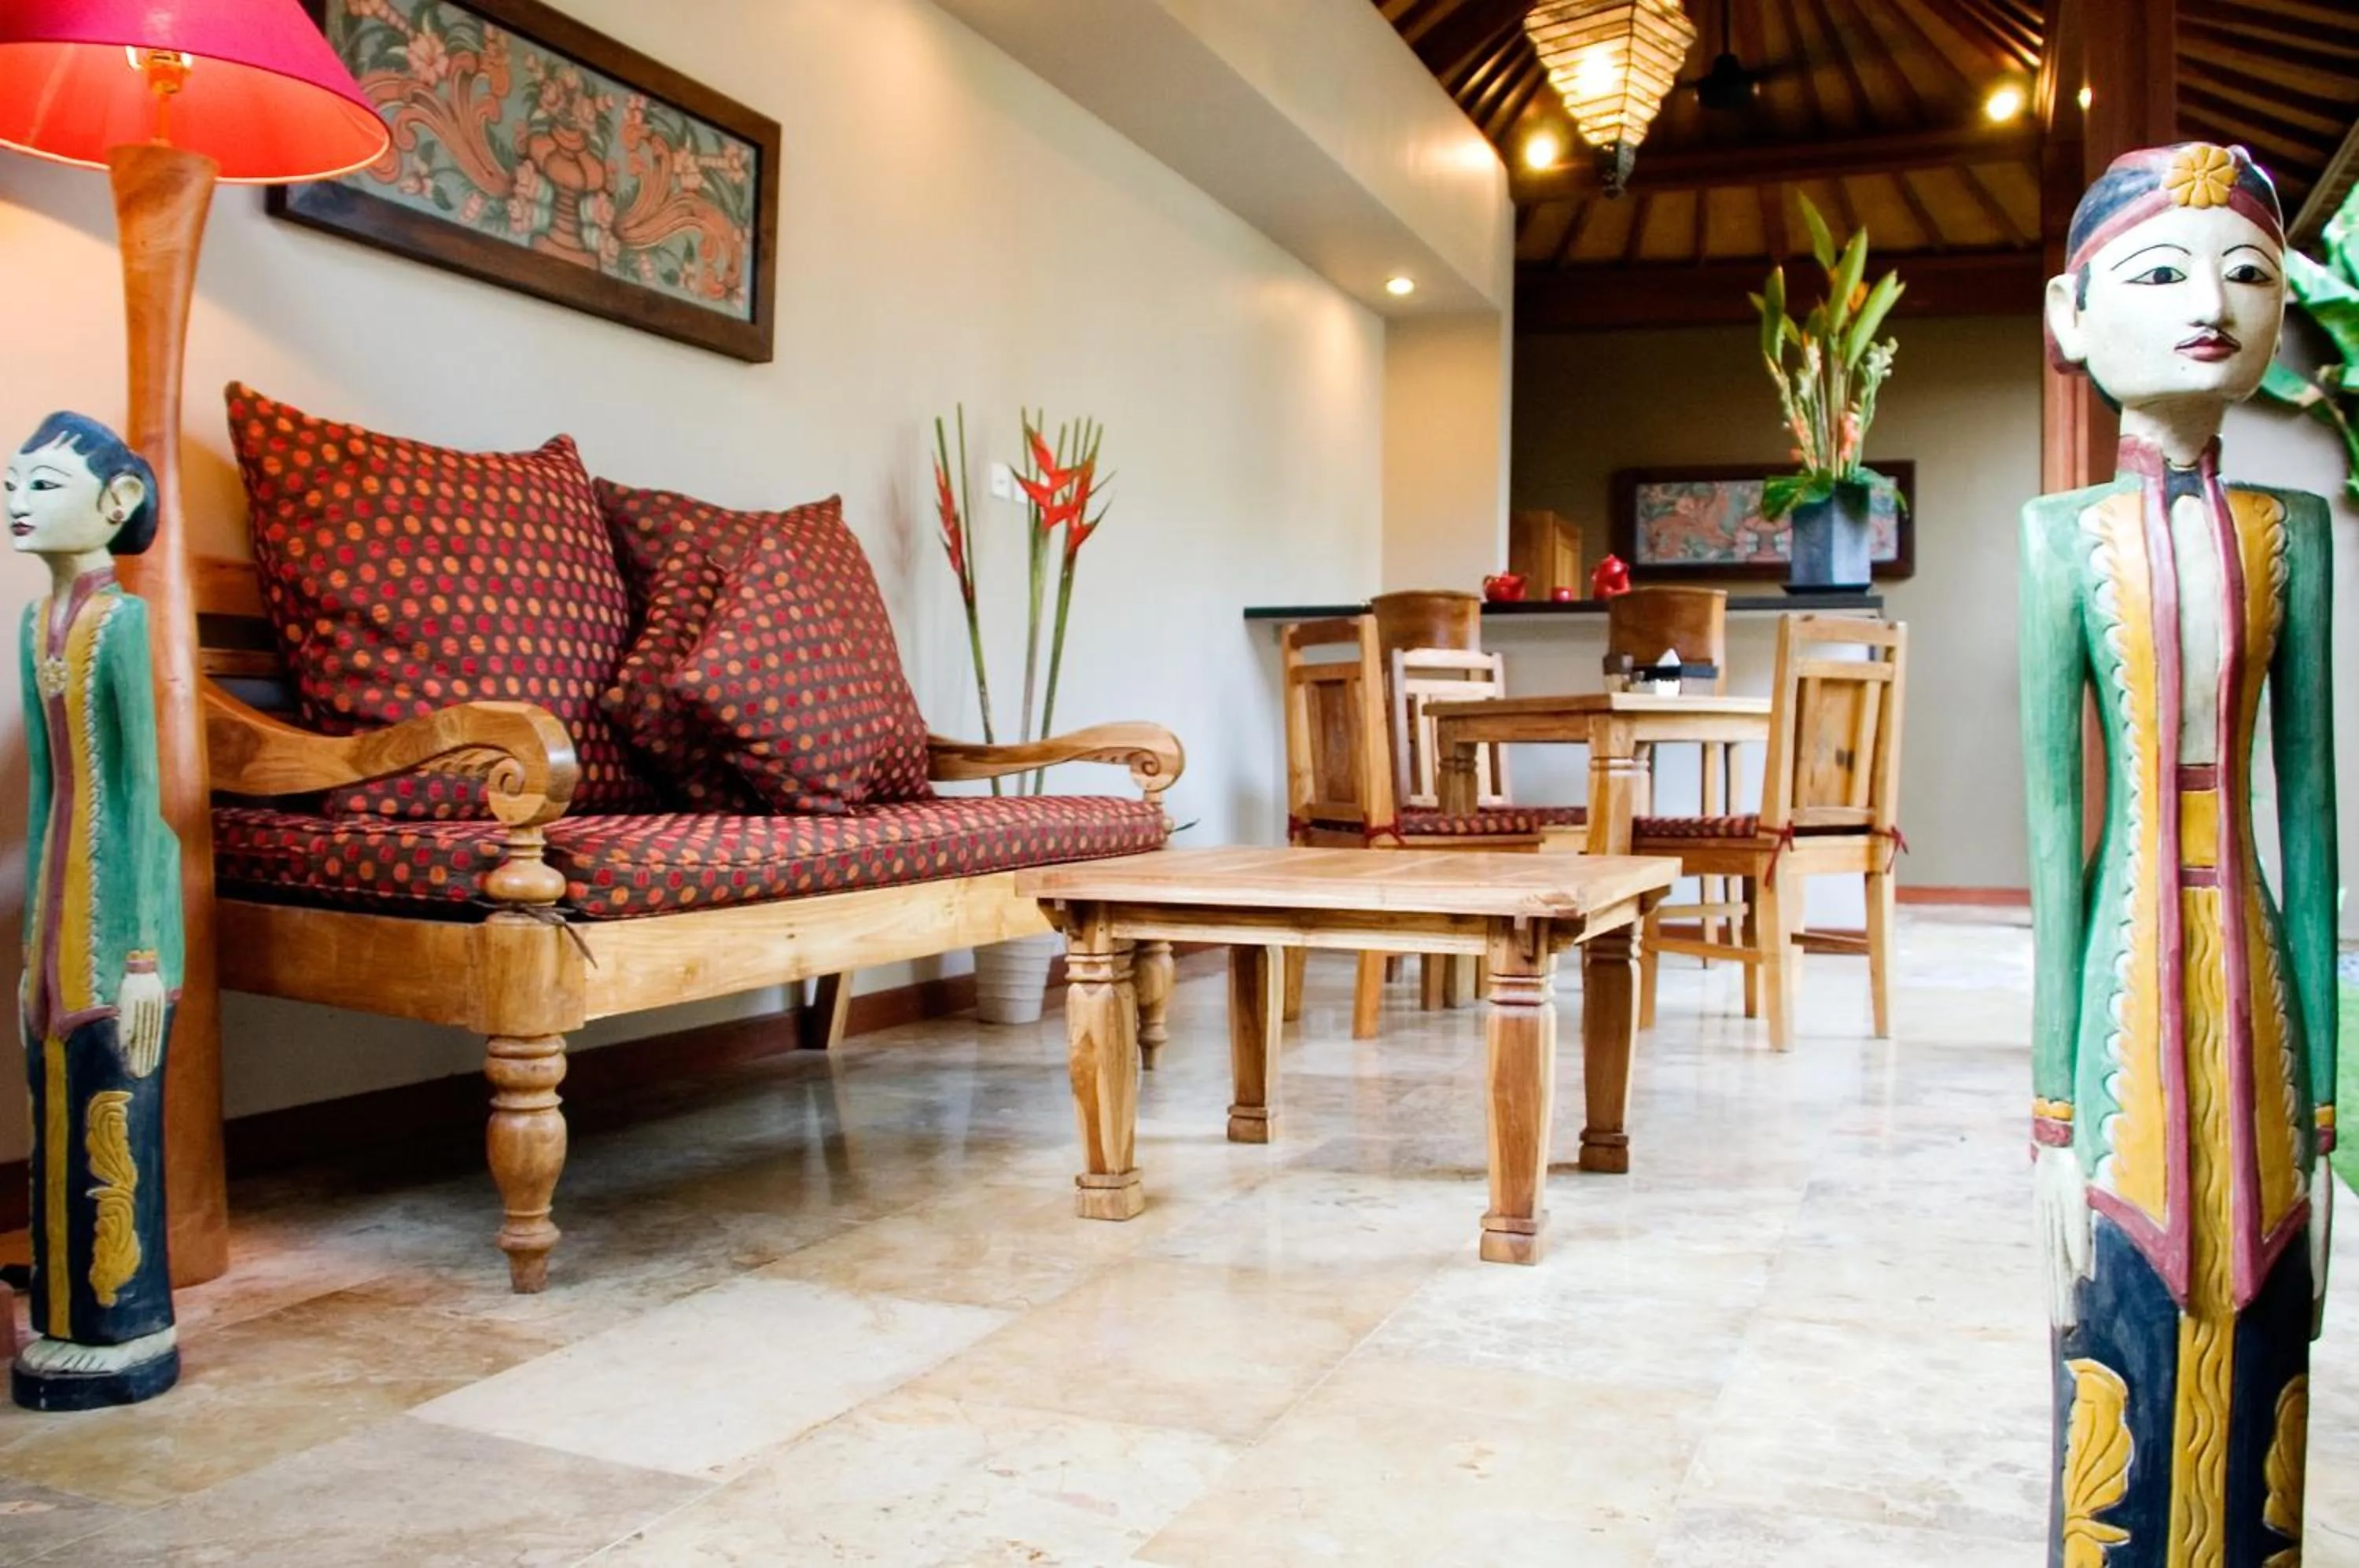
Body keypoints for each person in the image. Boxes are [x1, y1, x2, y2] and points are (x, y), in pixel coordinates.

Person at [2022, 142, 2336, 1565]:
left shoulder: (2292, 535)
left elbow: (2313, 826)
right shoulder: (2059, 541)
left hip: (2256, 983)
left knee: (2267, 1303)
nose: (2210, 304)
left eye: (2247, 274)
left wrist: (2325, 1122)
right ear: (2072, 316)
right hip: (2121, 995)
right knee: (2118, 1302)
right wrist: (2051, 1126)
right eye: (2161, 273)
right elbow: (2056, 844)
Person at [4, 412, 182, 1409]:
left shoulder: (123, 622)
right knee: (55, 1101)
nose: (17, 503)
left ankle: (129, 1320)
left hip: (123, 916)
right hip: (60, 908)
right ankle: (63, 1317)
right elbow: (45, 787)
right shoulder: (33, 624)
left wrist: (144, 954)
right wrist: (32, 943)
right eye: (10, 484)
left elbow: (143, 788)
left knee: (117, 1106)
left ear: (117, 503)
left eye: (42, 485)